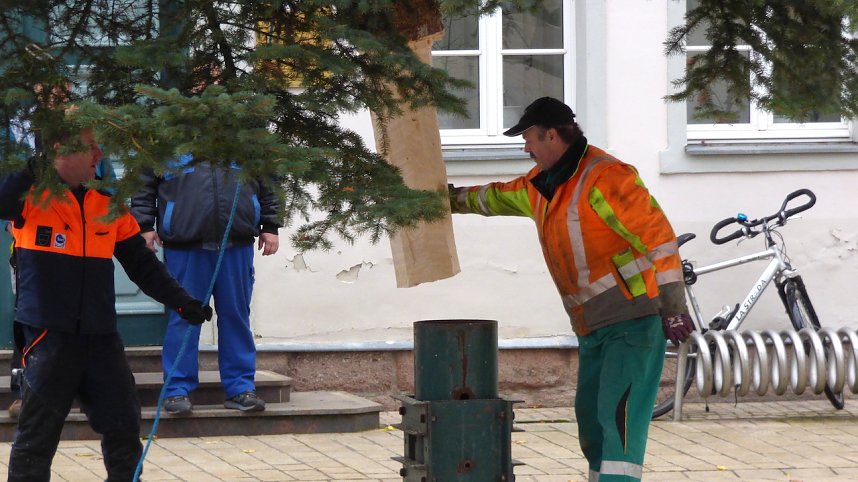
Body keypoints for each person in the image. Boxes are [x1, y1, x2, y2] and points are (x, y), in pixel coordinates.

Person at [448, 97, 693, 482]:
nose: (525, 148)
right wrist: (443, 200)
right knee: (593, 424)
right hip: (593, 328)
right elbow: (491, 197)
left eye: (528, 138)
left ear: (551, 134)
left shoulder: (608, 176)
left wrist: (673, 306)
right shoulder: (541, 187)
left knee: (618, 426)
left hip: (633, 322)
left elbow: (659, 241)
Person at [0, 126, 212, 481]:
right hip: (48, 336)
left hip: (101, 338)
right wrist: (37, 163)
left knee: (124, 430)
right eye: (91, 147)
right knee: (36, 439)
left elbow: (143, 266)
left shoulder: (107, 205)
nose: (100, 155)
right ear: (60, 148)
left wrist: (183, 303)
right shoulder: (29, 197)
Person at [130, 156, 281, 415]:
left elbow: (269, 179)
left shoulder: (243, 132)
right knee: (184, 317)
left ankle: (241, 388)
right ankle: (176, 390)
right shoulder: (168, 132)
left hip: (236, 243)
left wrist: (271, 224)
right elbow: (144, 183)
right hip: (185, 245)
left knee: (236, 316)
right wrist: (144, 225)